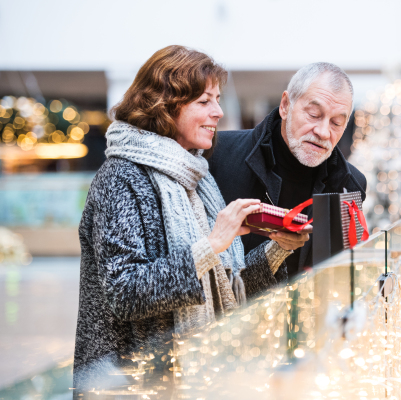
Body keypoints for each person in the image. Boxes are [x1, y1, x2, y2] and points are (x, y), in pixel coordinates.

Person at [73, 46, 299, 395]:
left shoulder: (196, 179)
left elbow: (224, 284)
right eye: (205, 101)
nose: (219, 112)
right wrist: (211, 244)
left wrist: (277, 249)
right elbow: (126, 293)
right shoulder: (121, 176)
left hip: (190, 380)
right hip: (130, 385)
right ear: (165, 104)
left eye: (218, 99)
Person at [209, 63, 367, 279]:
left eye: (336, 123)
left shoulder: (351, 184)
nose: (323, 132)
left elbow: (339, 278)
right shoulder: (217, 154)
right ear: (285, 105)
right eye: (313, 114)